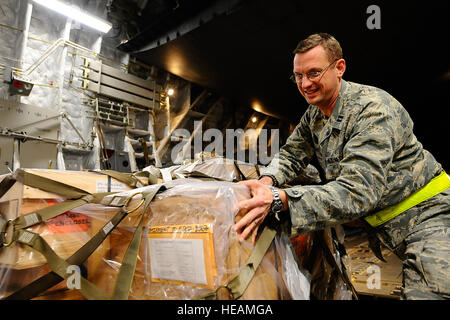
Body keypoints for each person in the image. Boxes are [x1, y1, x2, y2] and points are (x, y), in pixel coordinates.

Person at [233, 33, 450, 300]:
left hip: (432, 219)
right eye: (298, 76)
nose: (305, 84)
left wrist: (281, 199)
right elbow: (291, 155)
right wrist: (266, 182)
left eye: (313, 73)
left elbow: (358, 192)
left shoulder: (373, 110)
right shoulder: (315, 114)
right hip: (393, 226)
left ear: (339, 68)